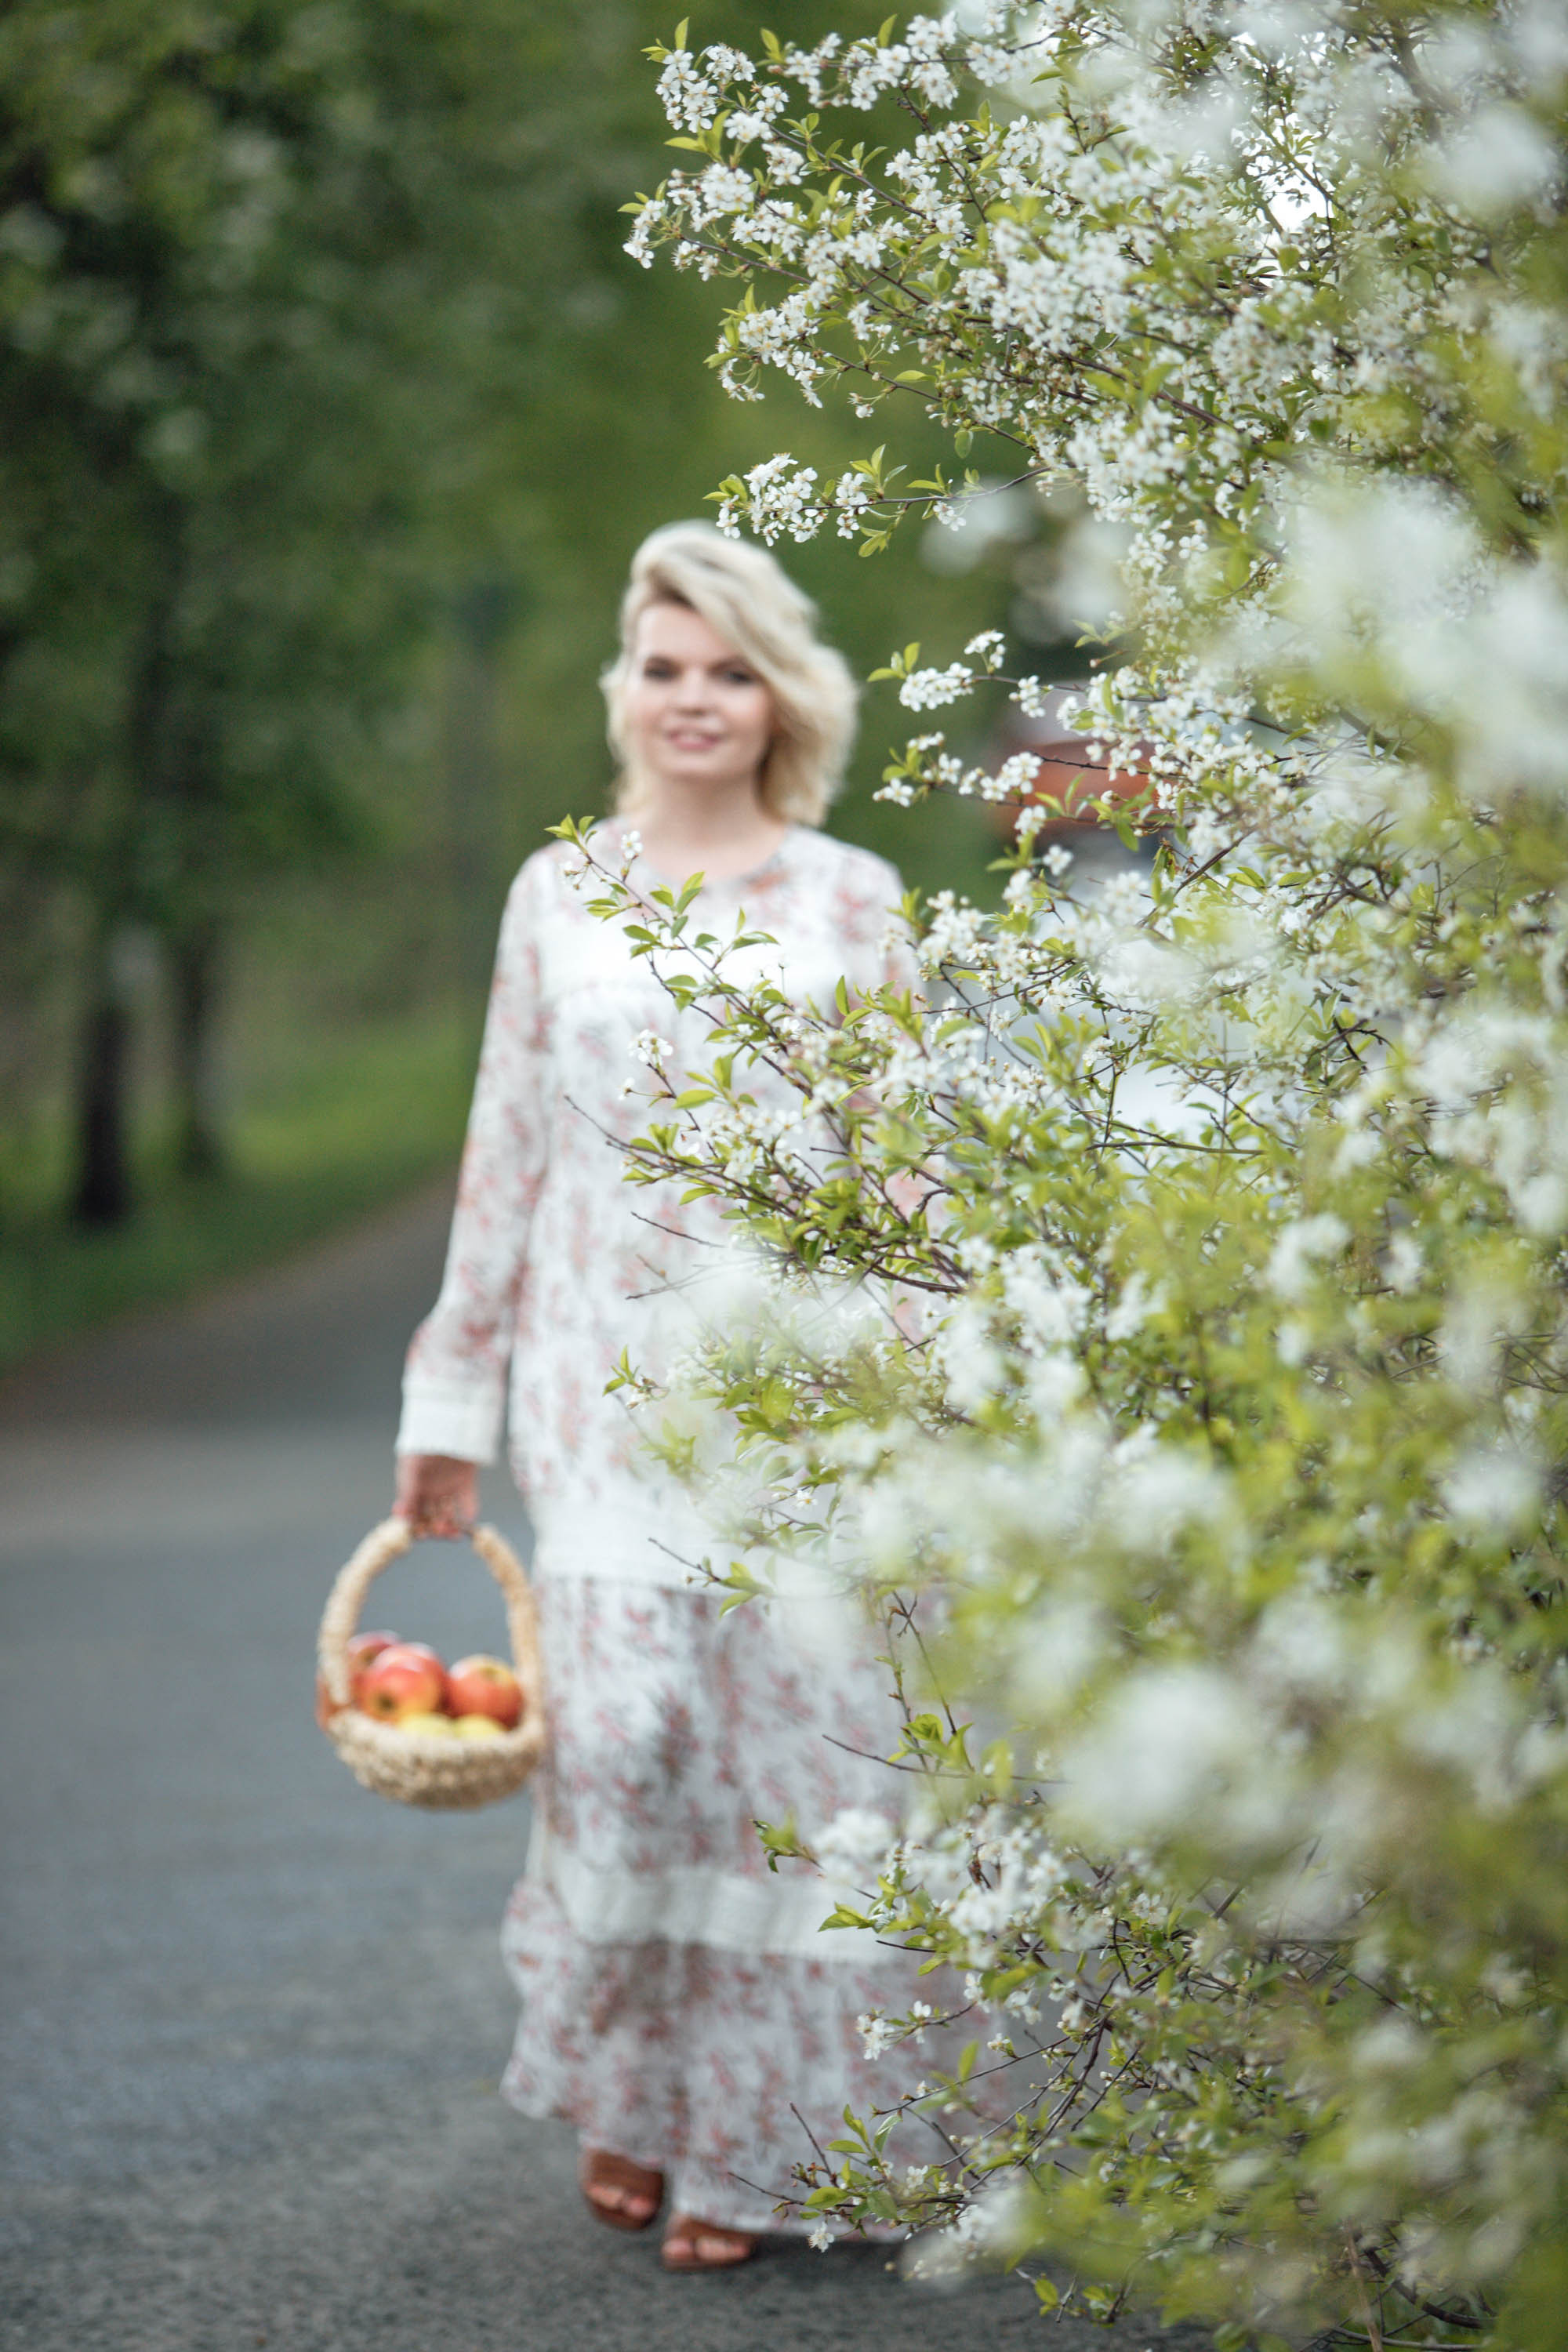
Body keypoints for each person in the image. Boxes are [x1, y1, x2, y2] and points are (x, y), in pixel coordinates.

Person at [393, 521, 921, 2272]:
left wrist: (941, 1384)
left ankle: (748, 2142)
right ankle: (631, 2083)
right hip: (600, 1406)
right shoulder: (564, 895)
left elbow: (903, 1177)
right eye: (666, 666)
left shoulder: (852, 900)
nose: (695, 698)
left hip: (803, 1408)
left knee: (777, 1772)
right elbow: (505, 1159)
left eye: (730, 668)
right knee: (623, 1757)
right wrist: (447, 1407)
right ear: (623, 689)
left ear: (783, 697)